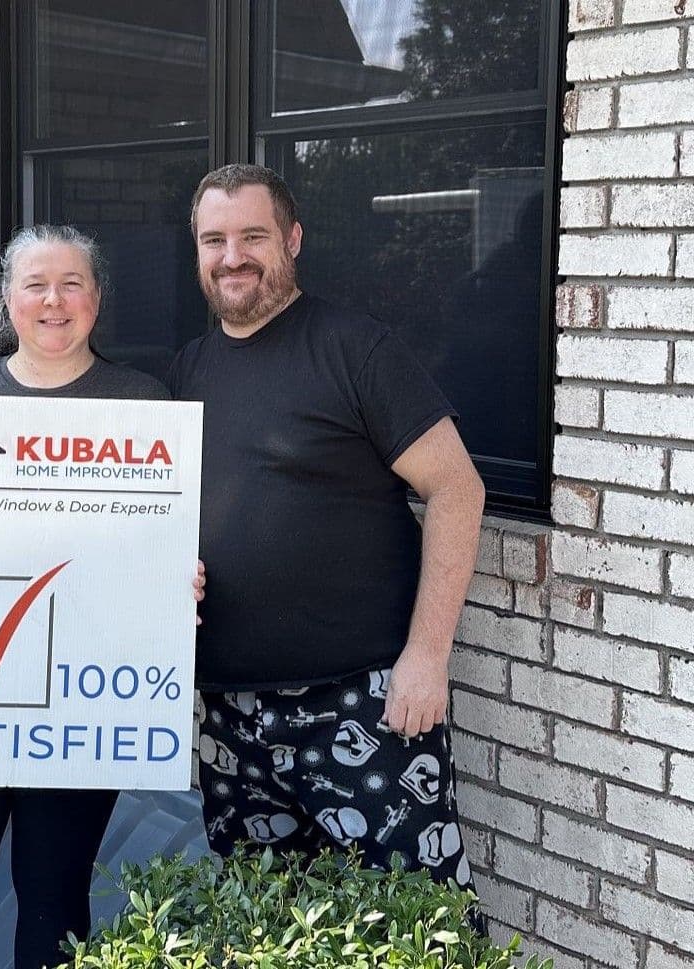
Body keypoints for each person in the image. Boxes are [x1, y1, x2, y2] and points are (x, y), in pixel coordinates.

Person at [0, 225, 198, 969]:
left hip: (85, 700)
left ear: (97, 298)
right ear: (6, 302)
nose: (55, 300)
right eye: (35, 285)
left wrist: (180, 572)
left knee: (54, 894)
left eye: (72, 283)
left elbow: (169, 532)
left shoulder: (142, 401)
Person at [167, 165, 488, 911]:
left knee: (416, 927)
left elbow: (456, 488)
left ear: (292, 239)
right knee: (267, 930)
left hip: (362, 708)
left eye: (253, 236)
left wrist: (426, 656)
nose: (232, 256)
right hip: (229, 717)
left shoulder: (355, 350)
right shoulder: (186, 369)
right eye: (213, 240)